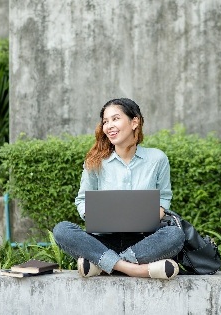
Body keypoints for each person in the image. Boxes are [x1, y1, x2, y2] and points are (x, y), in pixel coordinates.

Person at [52, 98, 185, 279]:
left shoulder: (157, 159)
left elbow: (164, 199)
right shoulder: (95, 161)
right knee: (61, 230)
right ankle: (135, 269)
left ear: (134, 122)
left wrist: (152, 215)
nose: (109, 126)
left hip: (143, 241)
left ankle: (101, 265)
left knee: (175, 235)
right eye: (105, 121)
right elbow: (82, 200)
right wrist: (94, 215)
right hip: (104, 240)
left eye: (115, 119)